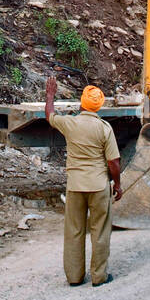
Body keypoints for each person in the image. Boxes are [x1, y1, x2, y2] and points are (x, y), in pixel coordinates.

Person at [45, 74, 122, 287]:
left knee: (74, 231)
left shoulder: (70, 123)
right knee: (99, 232)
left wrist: (50, 95)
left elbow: (50, 116)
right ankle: (99, 276)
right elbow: (114, 162)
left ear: (82, 103)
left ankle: (74, 277)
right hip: (98, 186)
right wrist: (118, 184)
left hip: (75, 186)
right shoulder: (105, 128)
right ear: (99, 106)